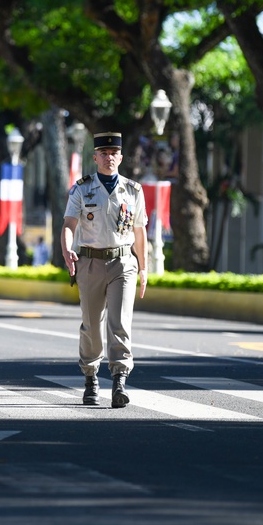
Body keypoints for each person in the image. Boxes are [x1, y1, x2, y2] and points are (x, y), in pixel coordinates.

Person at [61, 132, 147, 408]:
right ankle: (90, 377)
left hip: (123, 262)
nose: (109, 157)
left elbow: (140, 231)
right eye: (104, 153)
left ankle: (120, 380)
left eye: (114, 153)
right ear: (95, 157)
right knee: (92, 325)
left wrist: (143, 269)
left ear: (121, 157)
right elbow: (68, 225)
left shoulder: (133, 190)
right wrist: (66, 250)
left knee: (119, 323)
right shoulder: (82, 189)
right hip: (90, 263)